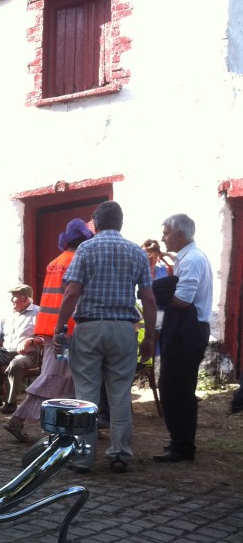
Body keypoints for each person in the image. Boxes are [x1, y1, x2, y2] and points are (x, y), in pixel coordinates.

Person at [53, 200, 156, 473]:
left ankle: (83, 458)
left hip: (89, 327)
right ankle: (120, 453)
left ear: (96, 224)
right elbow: (148, 298)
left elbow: (72, 293)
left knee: (86, 394)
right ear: (120, 223)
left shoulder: (86, 248)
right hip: (124, 329)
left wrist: (60, 327)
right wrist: (150, 338)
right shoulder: (137, 253)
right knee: (120, 394)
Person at [4, 218, 94, 442]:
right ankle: (22, 420)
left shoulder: (55, 262)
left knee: (62, 378)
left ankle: (64, 425)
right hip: (68, 331)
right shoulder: (79, 261)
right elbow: (74, 296)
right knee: (54, 378)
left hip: (50, 330)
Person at [153, 213, 213, 463]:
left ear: (181, 234)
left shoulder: (192, 260)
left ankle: (183, 445)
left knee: (176, 387)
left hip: (188, 330)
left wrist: (157, 293)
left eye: (166, 232)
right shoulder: (186, 258)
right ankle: (180, 440)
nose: (163, 238)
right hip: (185, 328)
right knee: (175, 386)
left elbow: (182, 300)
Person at [0, 285, 40, 413]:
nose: (11, 300)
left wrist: (29, 340)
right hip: (5, 352)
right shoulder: (8, 315)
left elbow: (46, 337)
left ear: (25, 298)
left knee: (16, 364)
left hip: (28, 355)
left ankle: (11, 403)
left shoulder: (38, 312)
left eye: (14, 297)